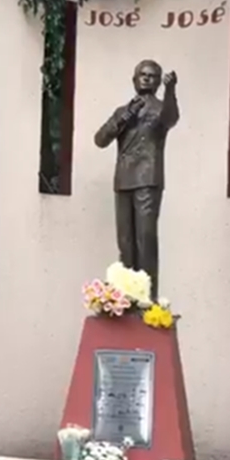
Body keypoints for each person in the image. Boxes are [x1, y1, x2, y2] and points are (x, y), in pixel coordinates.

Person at [93, 59, 179, 300]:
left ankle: (148, 299)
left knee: (145, 240)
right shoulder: (123, 111)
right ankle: (127, 297)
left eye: (152, 75)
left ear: (158, 82)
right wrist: (126, 116)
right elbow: (100, 139)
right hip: (123, 181)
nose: (146, 78)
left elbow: (171, 118)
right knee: (126, 242)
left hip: (148, 180)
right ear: (134, 79)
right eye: (142, 74)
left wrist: (171, 91)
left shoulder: (162, 108)